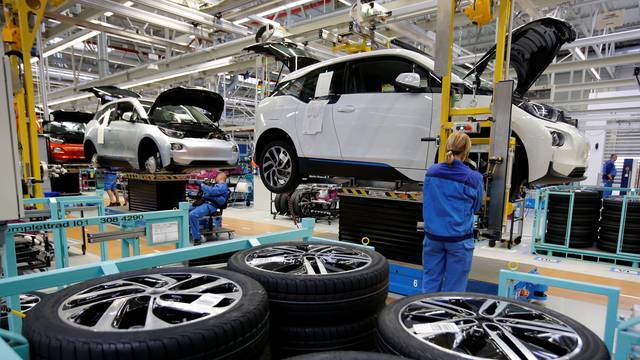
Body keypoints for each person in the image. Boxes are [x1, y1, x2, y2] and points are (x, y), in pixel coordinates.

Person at [422, 131, 484, 293]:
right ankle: (448, 316)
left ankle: (425, 315)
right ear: (466, 152)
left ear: (447, 147)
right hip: (458, 241)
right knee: (453, 290)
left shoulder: (432, 172)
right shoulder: (473, 178)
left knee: (430, 282)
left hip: (432, 239)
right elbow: (477, 207)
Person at [189, 172, 229, 243]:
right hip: (203, 203)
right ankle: (187, 233)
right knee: (184, 211)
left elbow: (211, 191)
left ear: (220, 178)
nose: (215, 178)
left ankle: (197, 238)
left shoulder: (223, 186)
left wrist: (202, 185)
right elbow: (208, 192)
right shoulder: (215, 185)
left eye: (217, 177)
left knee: (193, 215)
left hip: (210, 205)